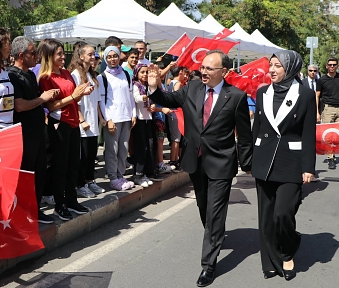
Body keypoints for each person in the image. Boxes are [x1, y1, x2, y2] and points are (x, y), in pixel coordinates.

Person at [147, 50, 253, 287]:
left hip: (222, 163)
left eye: (209, 68)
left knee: (215, 213)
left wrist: (246, 163)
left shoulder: (235, 97)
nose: (203, 71)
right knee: (204, 207)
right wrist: (154, 88)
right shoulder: (191, 89)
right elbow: (167, 100)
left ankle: (208, 264)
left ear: (223, 72)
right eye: (202, 67)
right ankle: (214, 235)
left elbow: (244, 136)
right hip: (195, 161)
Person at [251, 50, 316, 281]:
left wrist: (308, 167)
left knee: (283, 214)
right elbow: (256, 127)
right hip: (264, 162)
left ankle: (288, 251)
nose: (272, 70)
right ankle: (269, 261)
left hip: (291, 164)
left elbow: (309, 133)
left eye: (278, 66)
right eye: (271, 65)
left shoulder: (306, 95)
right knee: (266, 217)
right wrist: (249, 160)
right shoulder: (262, 93)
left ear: (290, 68)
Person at [38, 38, 91, 221]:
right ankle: (59, 205)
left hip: (73, 123)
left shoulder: (66, 73)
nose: (63, 56)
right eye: (58, 53)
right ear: (49, 56)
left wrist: (82, 93)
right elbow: (51, 106)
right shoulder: (46, 78)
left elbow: (73, 96)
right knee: (60, 166)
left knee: (73, 164)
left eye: (62, 53)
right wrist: (74, 97)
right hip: (59, 124)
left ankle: (71, 200)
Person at [8, 36, 55, 224]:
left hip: (37, 132)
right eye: (32, 52)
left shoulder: (29, 73)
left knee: (39, 171)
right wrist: (42, 99)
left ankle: (35, 209)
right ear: (21, 55)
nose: (36, 56)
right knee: (27, 174)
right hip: (24, 134)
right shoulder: (13, 75)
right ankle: (25, 211)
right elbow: (19, 106)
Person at [68, 41, 106, 197]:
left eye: (94, 54)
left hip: (93, 123)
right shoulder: (75, 75)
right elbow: (74, 101)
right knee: (82, 156)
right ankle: (80, 184)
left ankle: (90, 181)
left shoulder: (93, 76)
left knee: (91, 155)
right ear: (81, 56)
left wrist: (101, 119)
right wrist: (82, 120)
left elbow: (96, 101)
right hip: (83, 124)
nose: (93, 57)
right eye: (90, 54)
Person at [97, 46, 136, 191]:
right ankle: (113, 178)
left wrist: (133, 114)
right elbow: (101, 101)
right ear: (105, 59)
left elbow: (130, 95)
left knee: (123, 149)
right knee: (112, 150)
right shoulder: (102, 77)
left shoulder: (126, 74)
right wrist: (108, 119)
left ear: (119, 57)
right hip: (112, 119)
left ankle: (121, 175)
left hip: (126, 117)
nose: (113, 59)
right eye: (109, 57)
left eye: (115, 56)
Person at [316, 57, 339, 170]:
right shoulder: (322, 80)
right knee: (329, 135)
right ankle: (331, 158)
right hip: (328, 109)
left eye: (334, 65)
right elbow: (317, 96)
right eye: (330, 65)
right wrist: (317, 112)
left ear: (337, 66)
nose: (332, 67)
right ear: (327, 66)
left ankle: (333, 151)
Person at [131, 64, 155, 187]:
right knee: (141, 148)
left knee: (149, 146)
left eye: (146, 72)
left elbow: (153, 100)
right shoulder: (135, 85)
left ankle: (146, 172)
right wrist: (147, 96)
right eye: (142, 72)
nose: (145, 74)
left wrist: (153, 105)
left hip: (147, 118)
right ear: (137, 73)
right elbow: (136, 99)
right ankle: (138, 174)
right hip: (139, 119)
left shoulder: (147, 86)